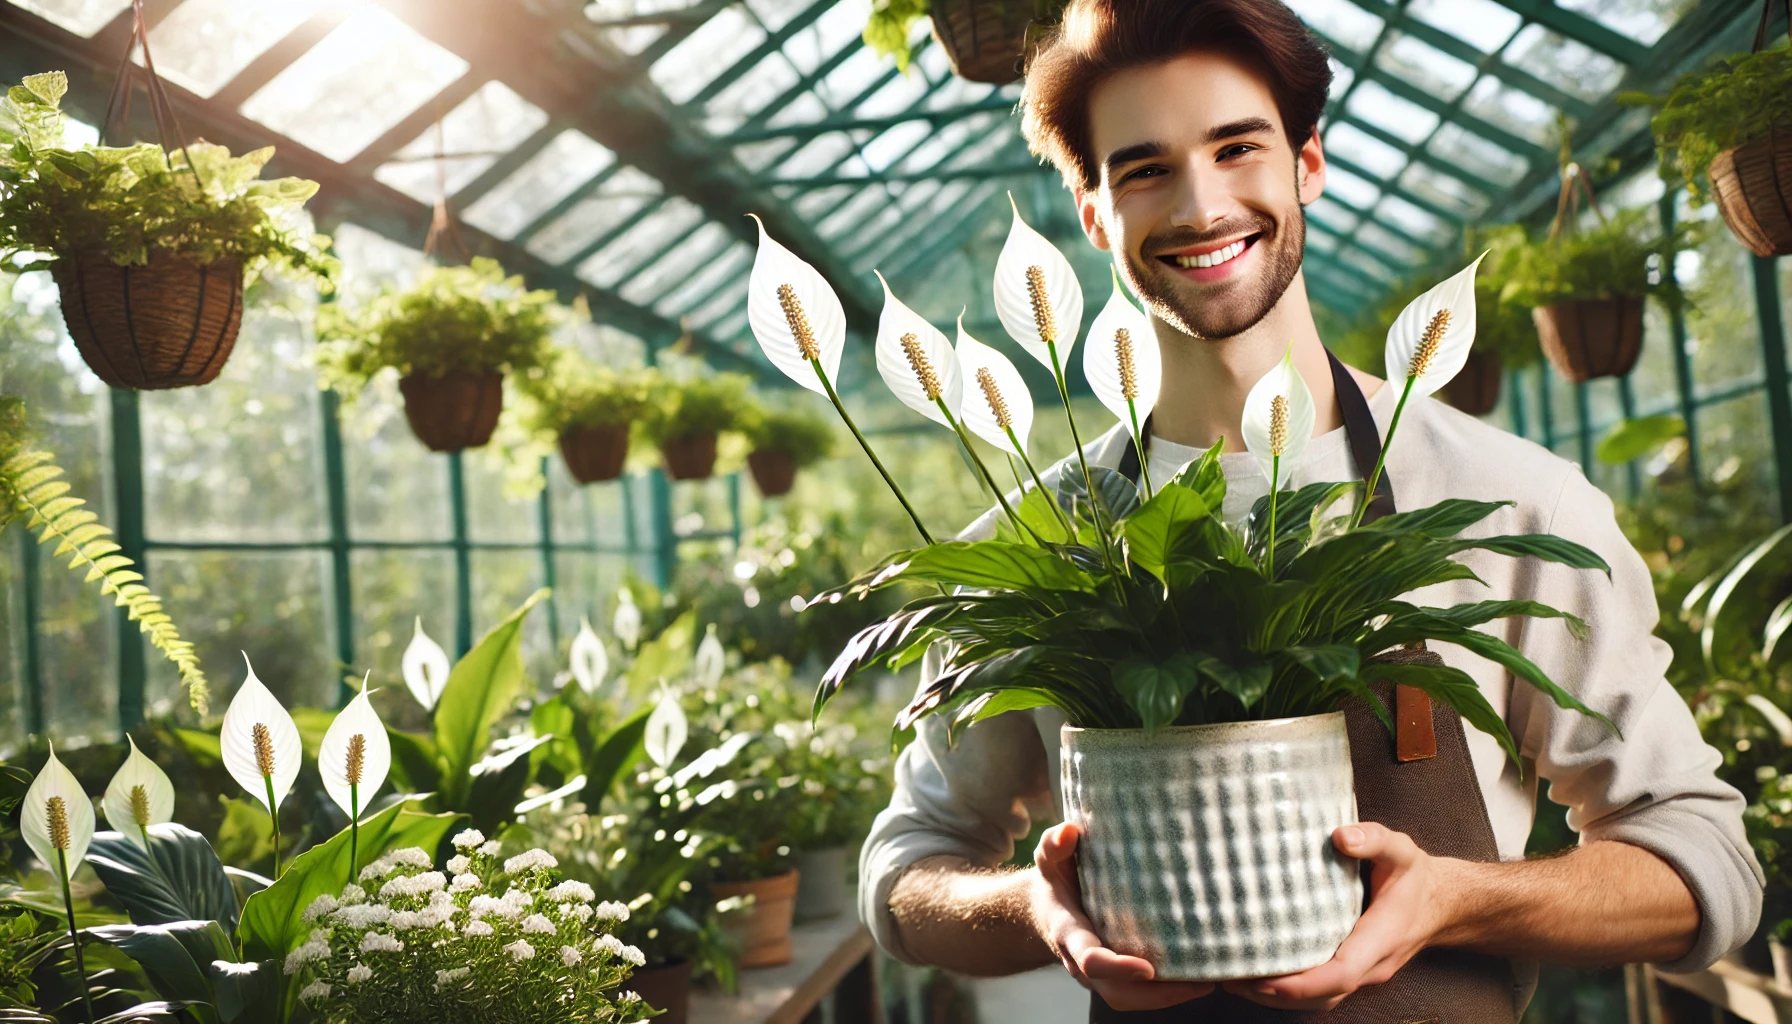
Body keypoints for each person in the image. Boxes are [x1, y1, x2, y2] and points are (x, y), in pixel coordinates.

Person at [856, 0, 1764, 1019]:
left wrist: (1456, 900)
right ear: (1094, 214)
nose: (1201, 206)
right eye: (1145, 168)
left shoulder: (1505, 500)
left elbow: (1704, 863)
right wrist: (1039, 910)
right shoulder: (1037, 544)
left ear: (1309, 164)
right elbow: (907, 868)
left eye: (1236, 148)